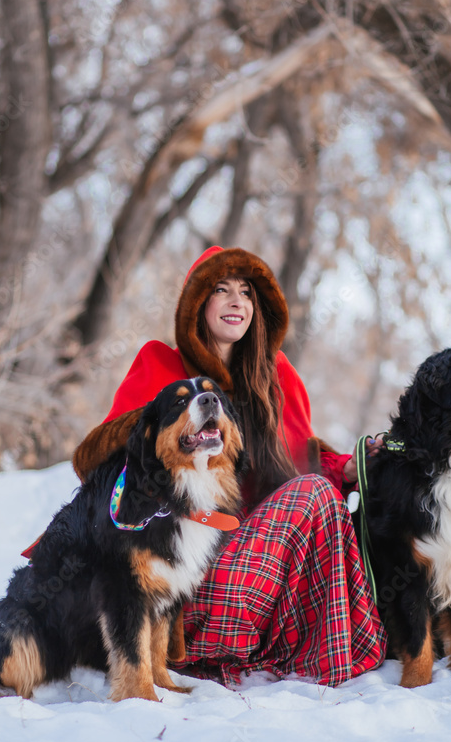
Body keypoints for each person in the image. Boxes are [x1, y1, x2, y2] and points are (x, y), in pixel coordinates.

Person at [73, 246, 387, 688]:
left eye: (246, 293)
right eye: (222, 290)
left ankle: (328, 649)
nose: (237, 301)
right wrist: (168, 429)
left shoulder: (274, 378)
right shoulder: (160, 364)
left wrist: (350, 469)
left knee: (322, 496)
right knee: (315, 493)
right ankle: (171, 649)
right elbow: (99, 466)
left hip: (247, 558)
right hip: (173, 581)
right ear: (197, 304)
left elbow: (299, 470)